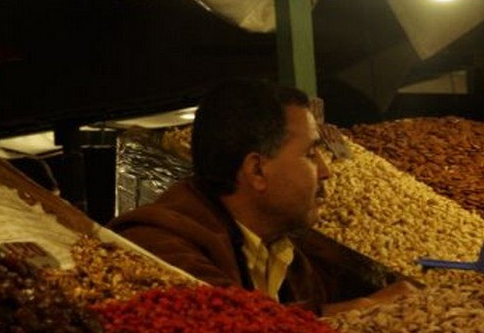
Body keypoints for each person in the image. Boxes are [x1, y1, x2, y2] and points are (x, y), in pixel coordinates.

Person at [108, 78, 415, 315]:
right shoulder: (160, 247)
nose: (325, 171)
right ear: (256, 170)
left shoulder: (286, 253)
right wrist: (363, 308)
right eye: (310, 154)